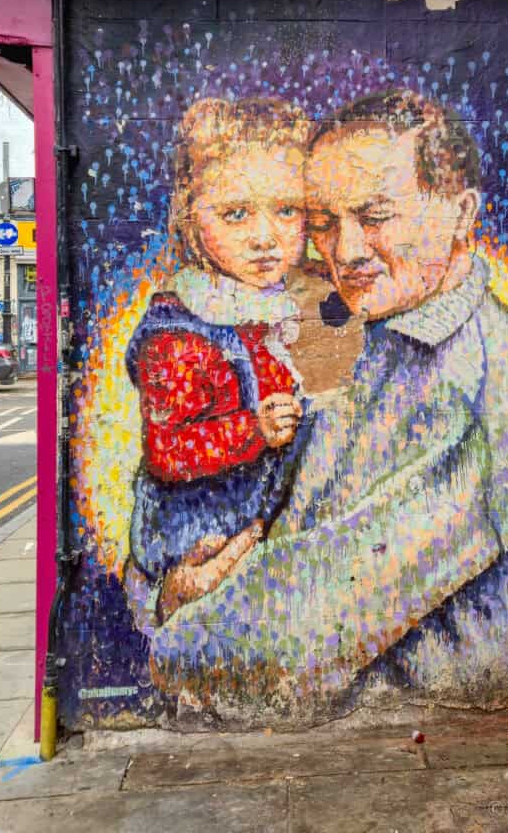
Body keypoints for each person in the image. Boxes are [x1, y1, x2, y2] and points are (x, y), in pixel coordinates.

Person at [138, 89, 508, 710]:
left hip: (407, 737)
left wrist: (166, 612)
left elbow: (295, 627)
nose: (346, 252)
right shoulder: (388, 335)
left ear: (461, 213)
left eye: (376, 216)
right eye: (325, 224)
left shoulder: (466, 387)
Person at [125, 97, 309, 623]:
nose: (265, 236)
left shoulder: (272, 305)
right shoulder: (181, 333)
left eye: (288, 210)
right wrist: (254, 430)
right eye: (235, 214)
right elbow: (168, 450)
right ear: (191, 218)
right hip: (195, 534)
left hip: (254, 525)